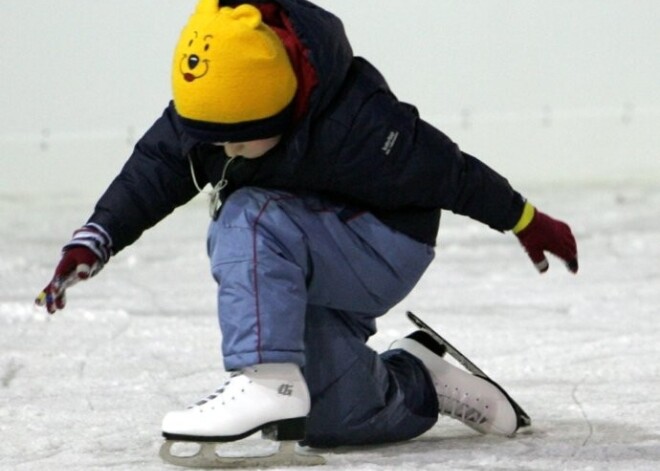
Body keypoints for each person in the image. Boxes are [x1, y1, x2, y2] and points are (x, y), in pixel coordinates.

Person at [36, 0, 578, 452]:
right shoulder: (214, 100)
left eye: (241, 138)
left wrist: (527, 221)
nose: (225, 150)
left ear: (280, 107)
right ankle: (419, 378)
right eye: (213, 137)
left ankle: (265, 378)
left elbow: (451, 172)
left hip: (384, 246)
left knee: (249, 216)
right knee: (329, 419)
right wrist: (94, 239)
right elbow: (153, 170)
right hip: (305, 251)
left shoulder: (362, 123)